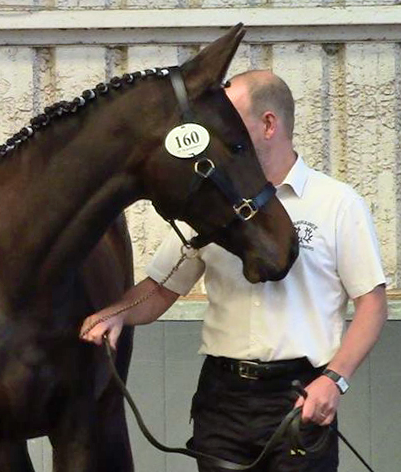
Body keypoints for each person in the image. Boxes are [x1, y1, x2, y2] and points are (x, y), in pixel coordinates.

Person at [80, 70, 387, 472]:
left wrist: (335, 380)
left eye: (230, 119)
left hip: (300, 397)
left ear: (268, 124)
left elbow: (372, 305)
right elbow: (161, 288)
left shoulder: (337, 204)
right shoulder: (214, 202)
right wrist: (118, 312)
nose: (217, 131)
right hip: (222, 400)